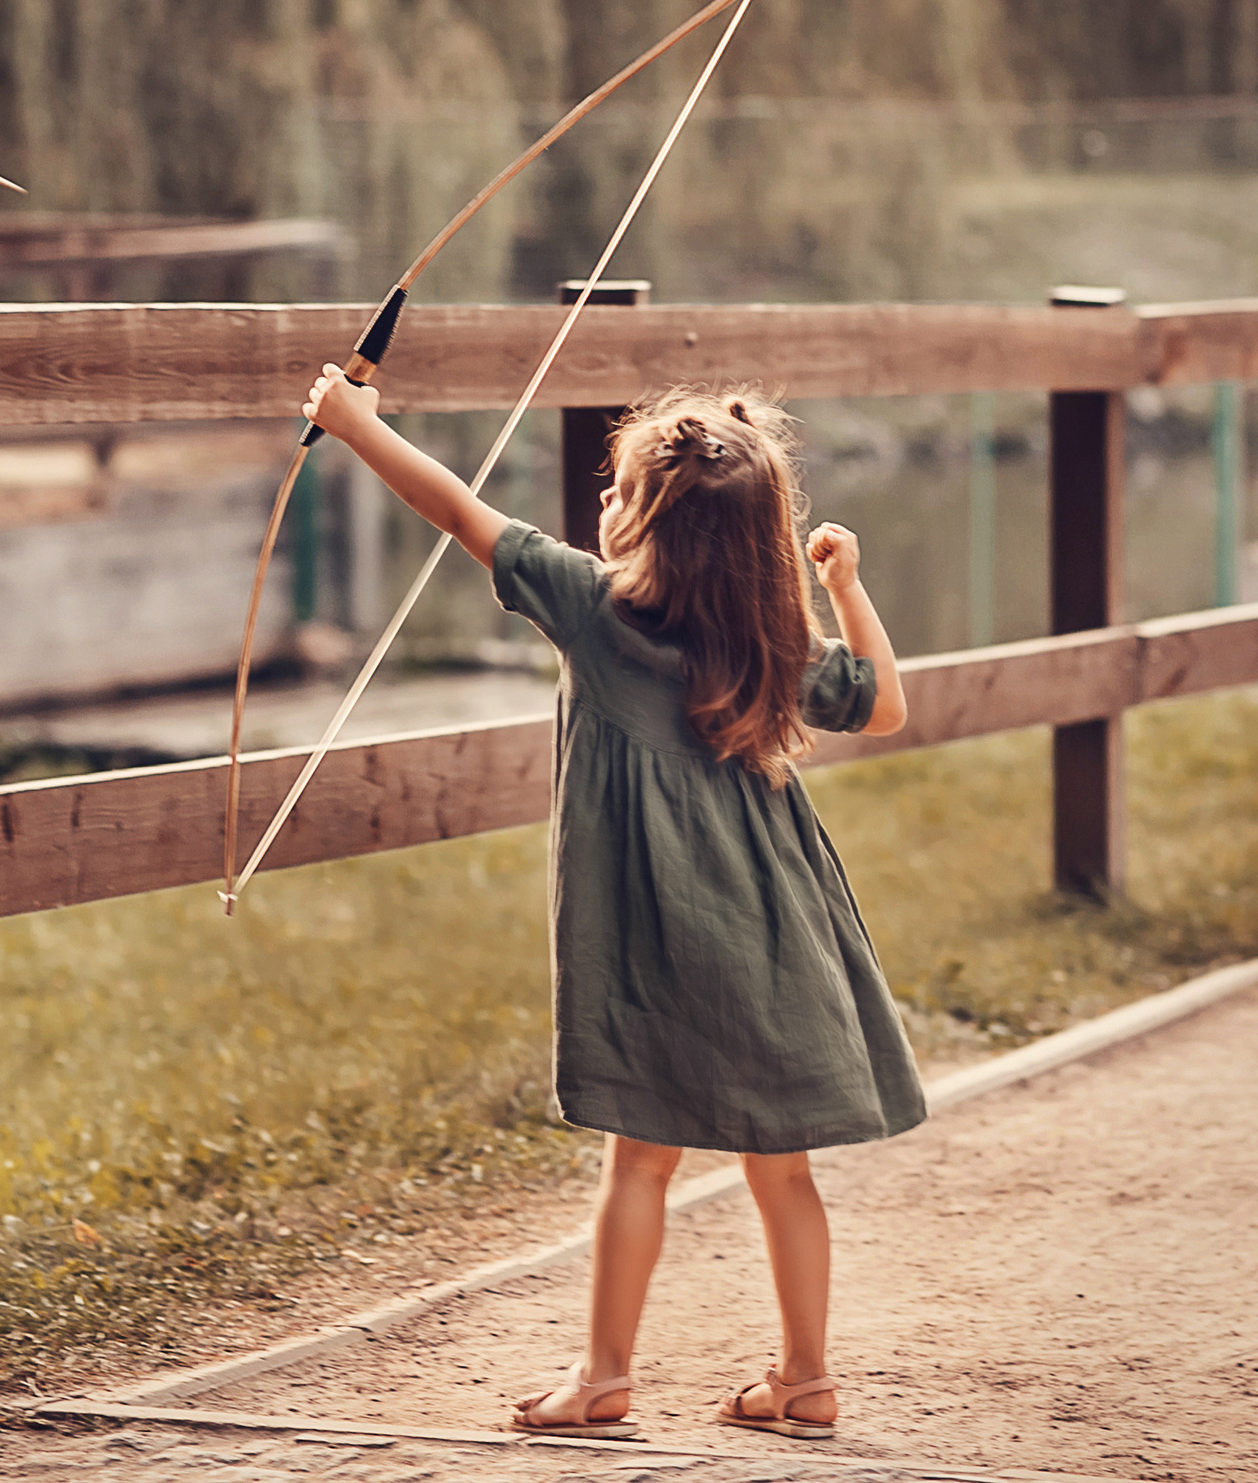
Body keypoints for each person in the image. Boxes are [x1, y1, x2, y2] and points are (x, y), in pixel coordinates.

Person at [300, 369, 928, 1444]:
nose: (603, 501)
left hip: (654, 934)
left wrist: (355, 424)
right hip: (773, 931)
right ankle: (807, 1377)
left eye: (621, 488)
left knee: (640, 1158)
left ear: (642, 522)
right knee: (781, 1168)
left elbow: (454, 505)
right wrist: (844, 585)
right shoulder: (770, 639)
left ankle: (602, 1380)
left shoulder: (590, 607)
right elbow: (885, 704)